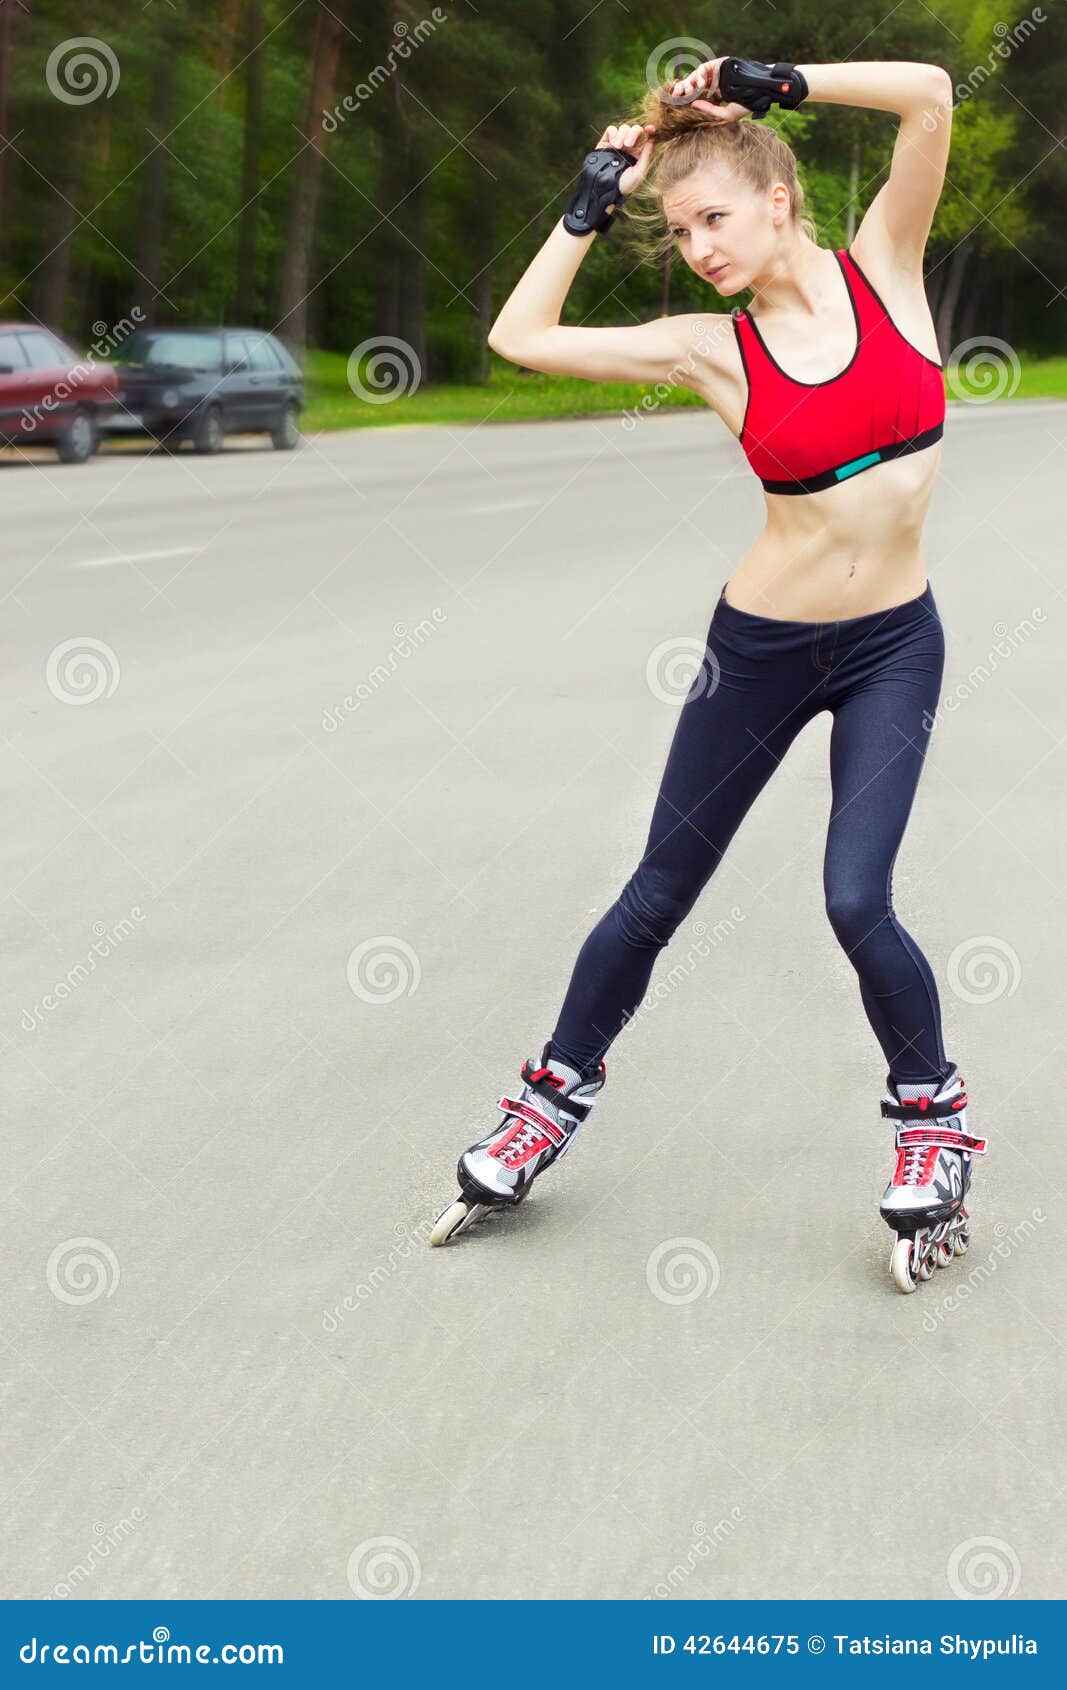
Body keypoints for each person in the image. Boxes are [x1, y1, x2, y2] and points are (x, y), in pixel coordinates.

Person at [429, 55, 987, 1292]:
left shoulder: (889, 265)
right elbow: (515, 337)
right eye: (675, 230)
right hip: (759, 652)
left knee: (856, 899)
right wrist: (591, 193)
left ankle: (931, 1121)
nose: (693, 247)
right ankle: (547, 1099)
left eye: (711, 219)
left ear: (779, 200)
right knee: (654, 896)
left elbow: (932, 94)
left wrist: (775, 79)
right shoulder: (707, 349)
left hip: (896, 641)